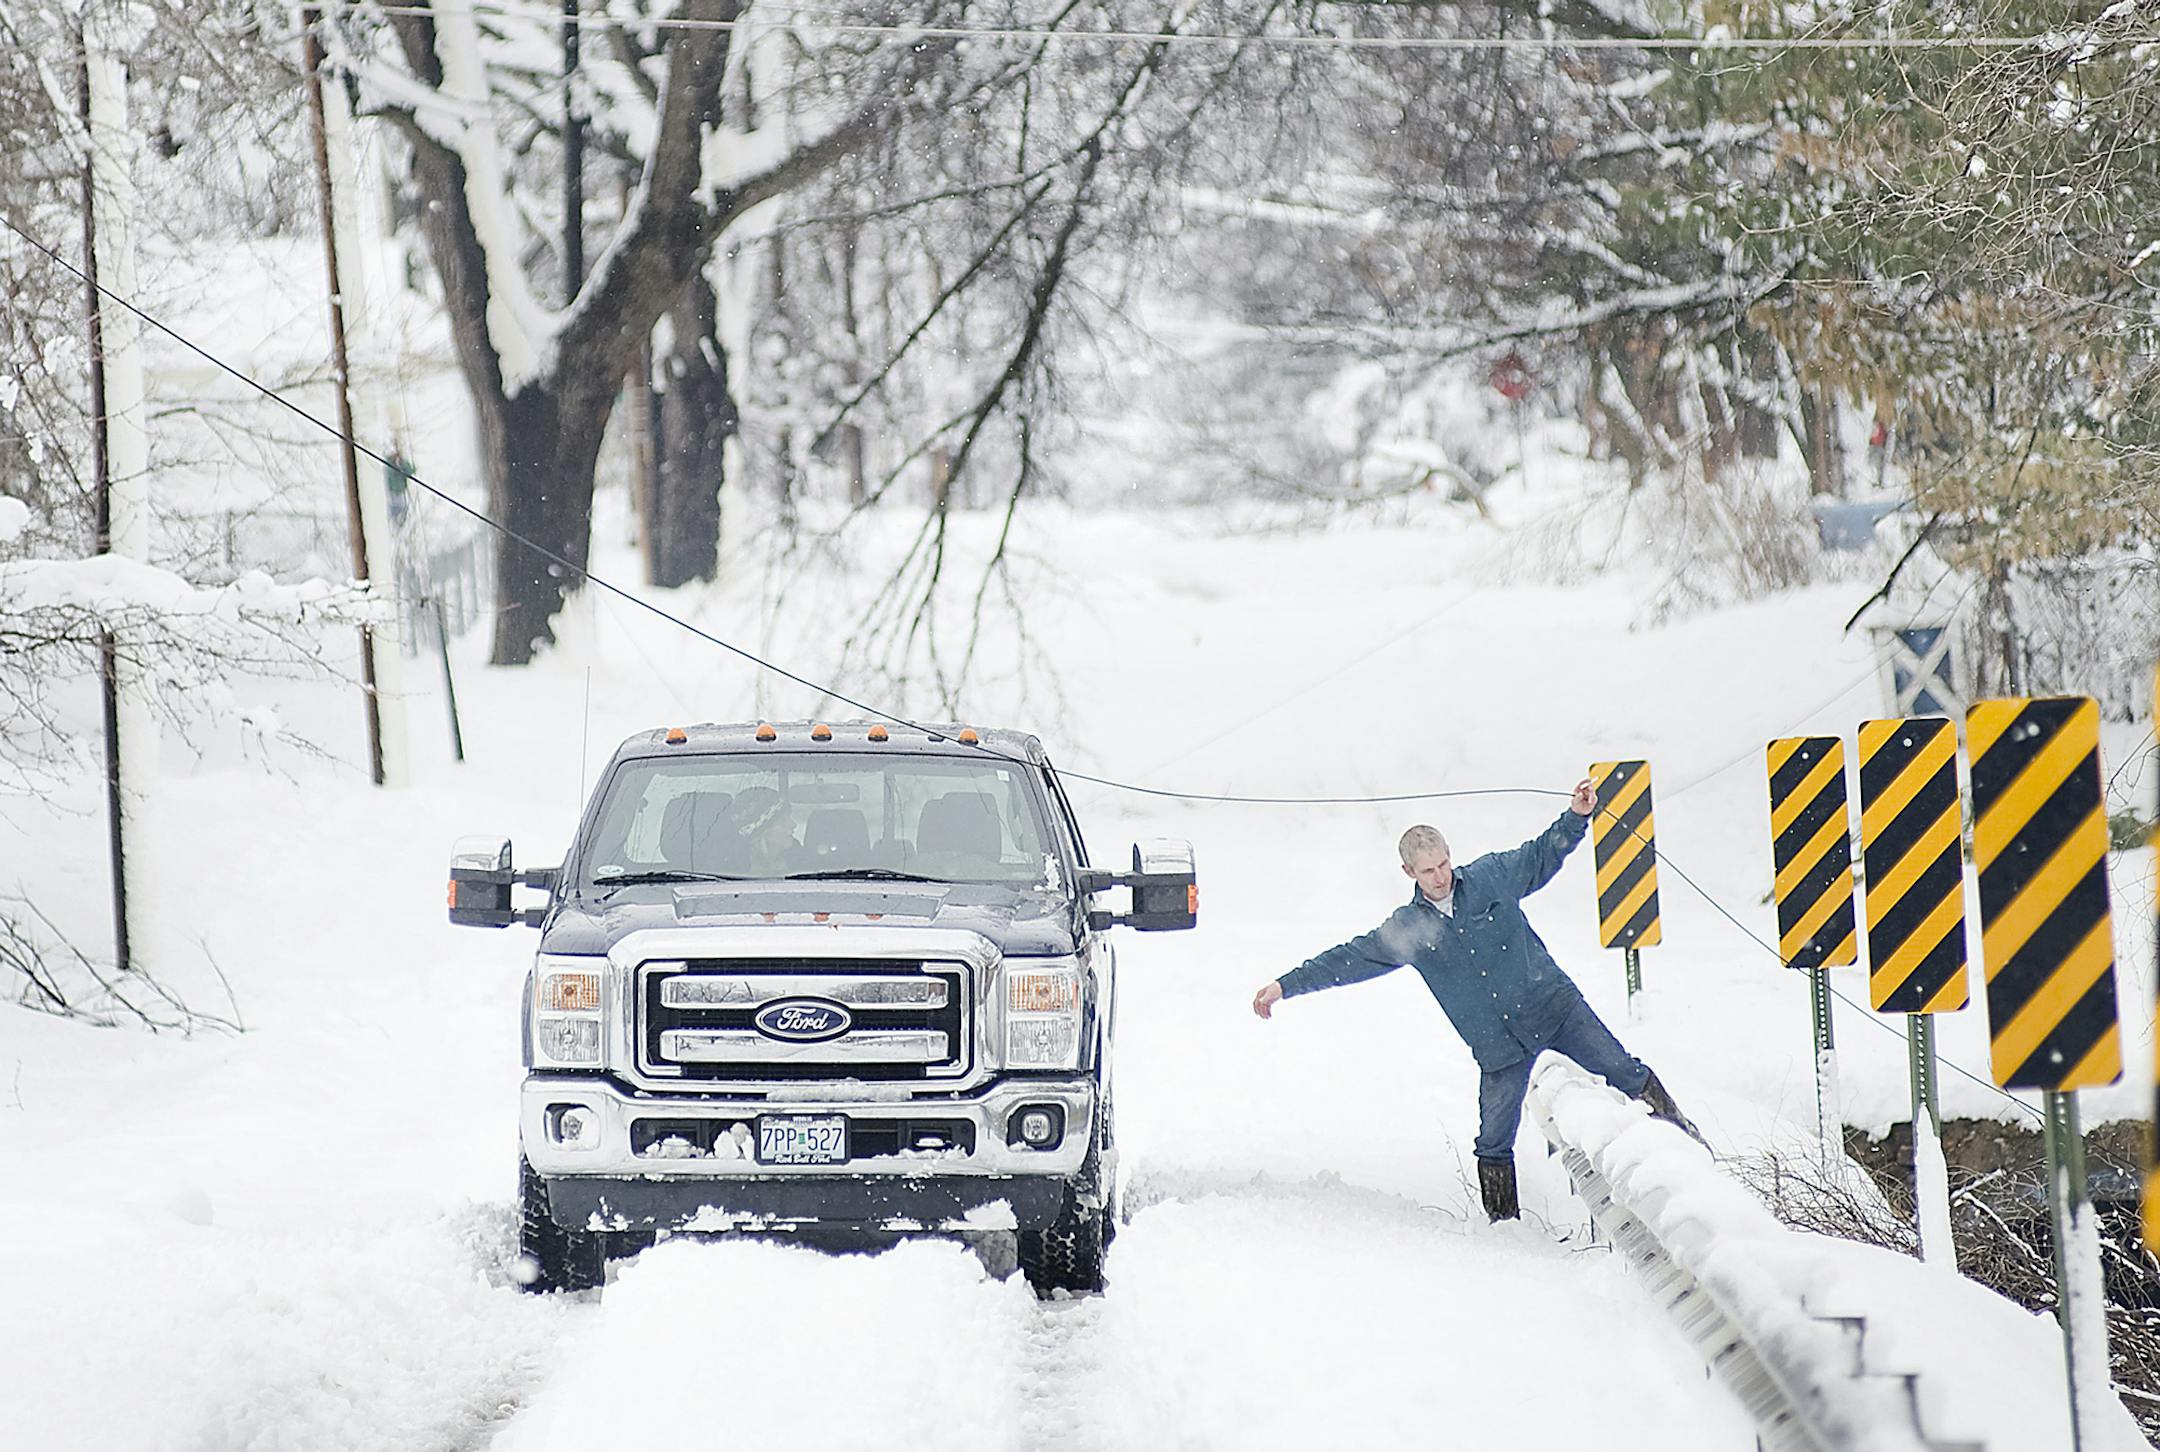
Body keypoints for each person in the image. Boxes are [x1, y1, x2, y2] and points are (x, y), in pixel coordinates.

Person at [1251, 779, 1699, 1222]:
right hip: (1499, 1049)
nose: (1440, 875)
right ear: (1409, 873)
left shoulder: (1491, 877)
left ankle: (1691, 1148)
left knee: (1625, 1072)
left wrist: (1578, 816)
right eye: (1428, 870)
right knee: (1493, 1142)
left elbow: (1543, 853)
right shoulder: (1408, 929)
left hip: (1556, 1009)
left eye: (1444, 863)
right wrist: (1285, 985)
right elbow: (1348, 960)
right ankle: (1505, 1229)